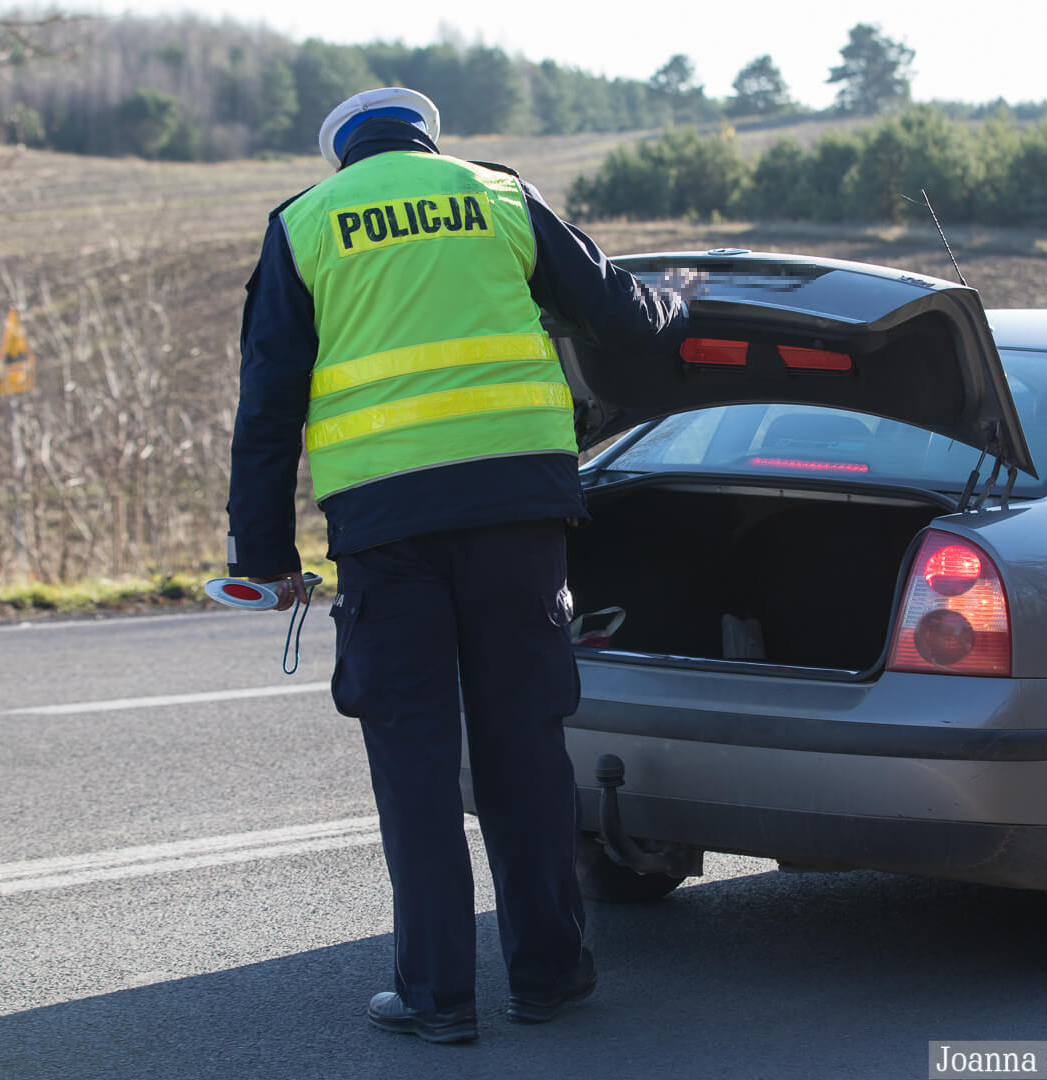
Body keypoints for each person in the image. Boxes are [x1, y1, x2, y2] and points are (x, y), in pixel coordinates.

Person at [224, 87, 689, 1045]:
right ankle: (549, 976)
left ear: (342, 154)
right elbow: (619, 315)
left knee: (416, 763)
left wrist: (263, 558)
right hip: (517, 518)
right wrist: (681, 300)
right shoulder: (498, 195)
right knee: (525, 751)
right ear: (428, 139)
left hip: (386, 529)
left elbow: (266, 406)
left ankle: (437, 998)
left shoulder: (305, 224)